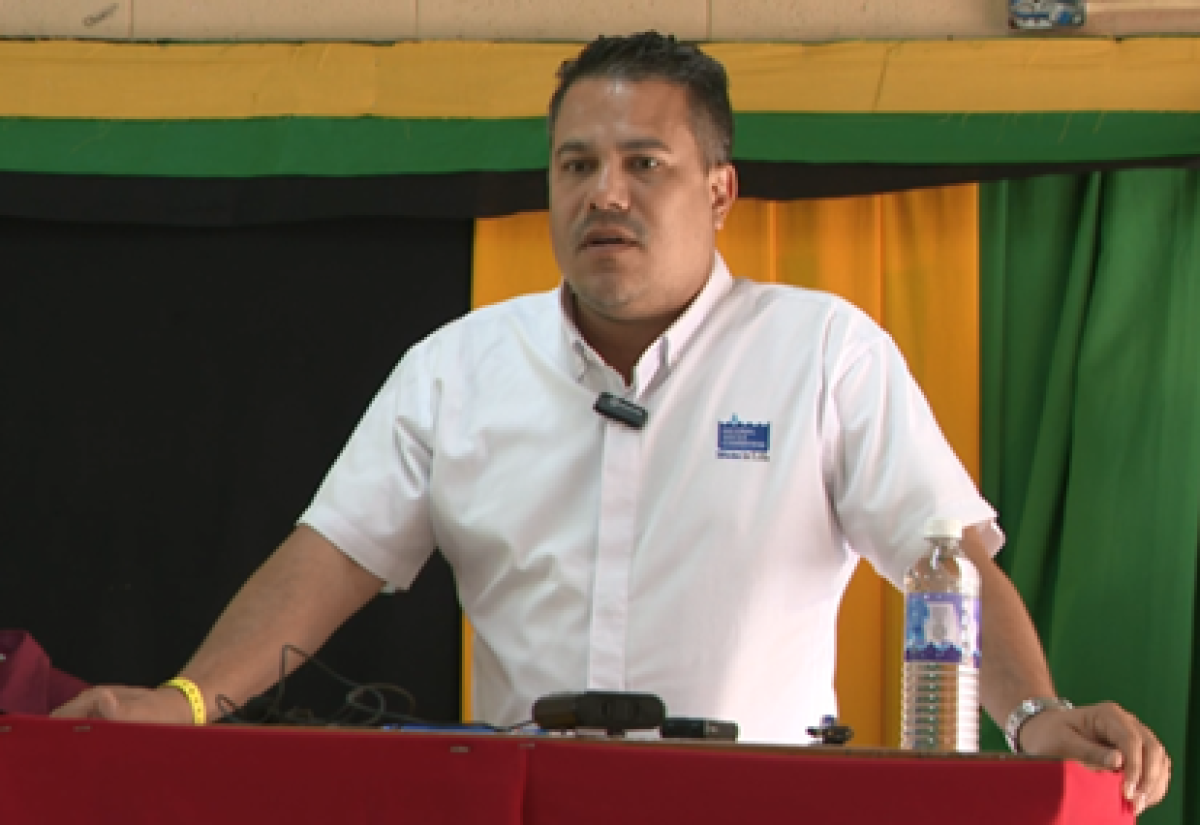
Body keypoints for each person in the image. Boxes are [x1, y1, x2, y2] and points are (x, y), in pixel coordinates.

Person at [55, 32, 1169, 813]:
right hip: (526, 803)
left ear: (722, 191)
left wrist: (1037, 717)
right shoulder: (458, 369)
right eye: (577, 165)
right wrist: (188, 701)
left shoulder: (823, 352)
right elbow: (328, 559)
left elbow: (950, 564)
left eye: (645, 164)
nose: (606, 195)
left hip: (761, 809)